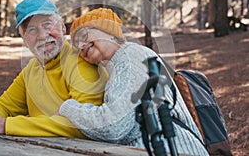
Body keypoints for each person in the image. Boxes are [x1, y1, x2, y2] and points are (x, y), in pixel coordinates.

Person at [58, 8, 209, 155]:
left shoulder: (131, 56)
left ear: (109, 32)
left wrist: (67, 108)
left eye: (84, 36)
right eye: (77, 45)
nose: (82, 46)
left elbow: (113, 126)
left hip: (176, 149)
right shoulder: (119, 66)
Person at [0, 0, 107, 138]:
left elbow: (84, 124)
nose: (42, 35)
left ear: (62, 27)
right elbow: (4, 105)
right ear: (25, 40)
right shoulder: (32, 68)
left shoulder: (82, 63)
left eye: (47, 24)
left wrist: (6, 125)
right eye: (32, 30)